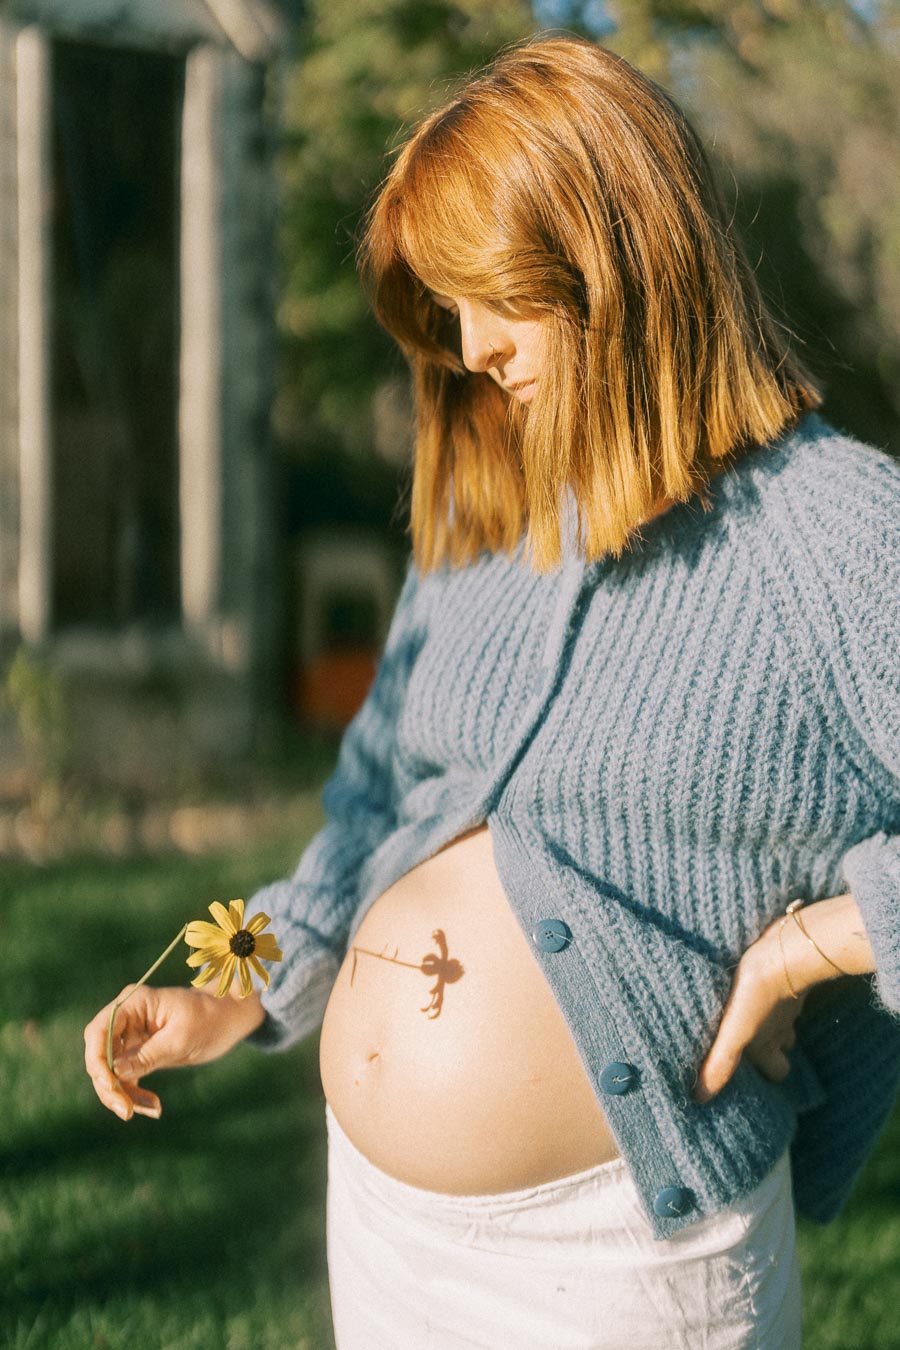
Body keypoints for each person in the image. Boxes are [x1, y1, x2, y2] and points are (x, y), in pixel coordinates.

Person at [84, 34, 900, 1349]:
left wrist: (823, 940)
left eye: (482, 295)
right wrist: (247, 983)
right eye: (441, 308)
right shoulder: (495, 520)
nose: (466, 348)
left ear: (606, 248)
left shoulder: (839, 535)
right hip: (389, 1236)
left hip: (631, 1261)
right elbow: (378, 796)